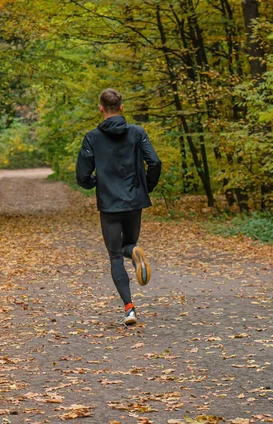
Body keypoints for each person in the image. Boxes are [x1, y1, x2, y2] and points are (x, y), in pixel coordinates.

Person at [76, 88, 162, 325]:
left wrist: (95, 182)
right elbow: (154, 162)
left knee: (115, 256)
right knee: (130, 244)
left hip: (109, 203)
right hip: (135, 201)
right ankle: (134, 253)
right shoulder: (137, 133)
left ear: (101, 108)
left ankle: (129, 308)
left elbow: (82, 175)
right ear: (122, 108)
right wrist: (146, 187)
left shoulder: (92, 137)